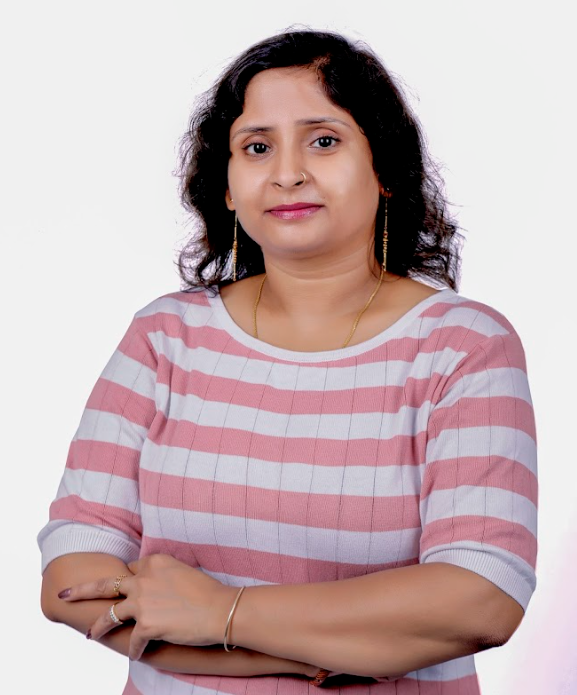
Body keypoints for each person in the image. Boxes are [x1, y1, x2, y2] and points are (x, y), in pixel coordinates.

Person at [38, 27, 538, 694]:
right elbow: (72, 573)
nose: (287, 173)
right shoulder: (165, 336)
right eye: (256, 147)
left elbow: (481, 596)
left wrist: (225, 612)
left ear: (385, 169)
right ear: (226, 185)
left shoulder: (463, 345)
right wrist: (297, 657)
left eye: (323, 140)